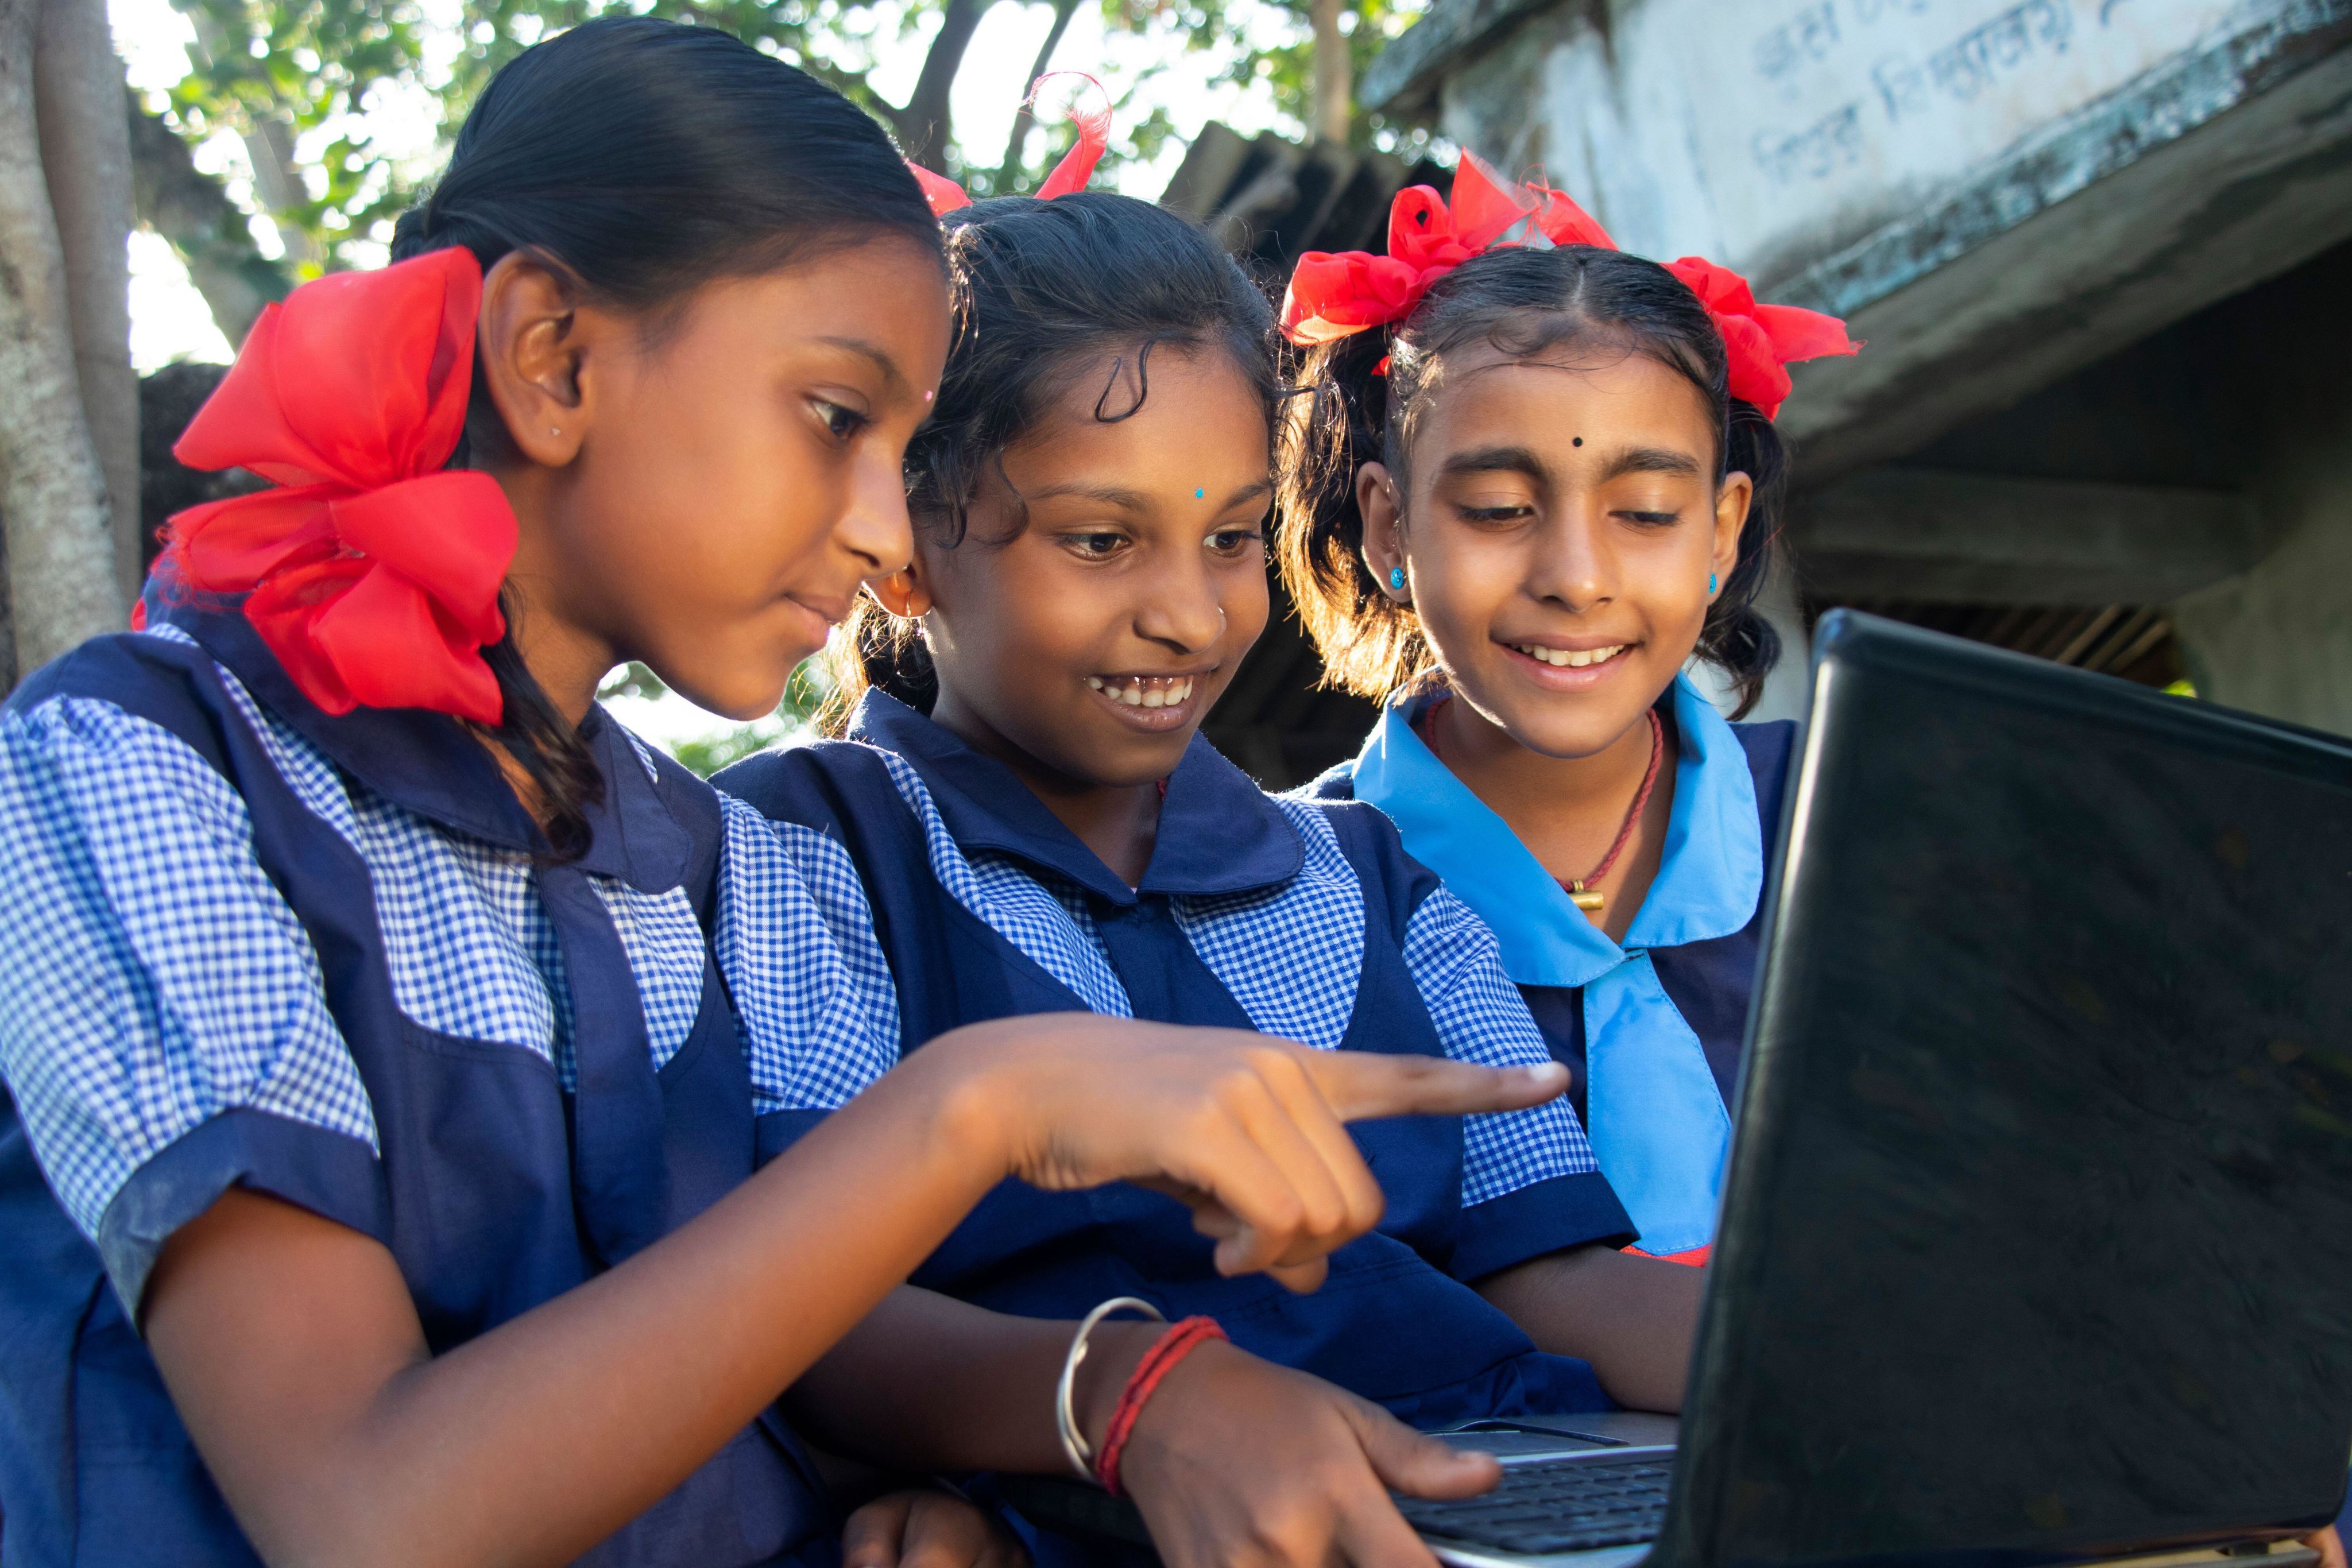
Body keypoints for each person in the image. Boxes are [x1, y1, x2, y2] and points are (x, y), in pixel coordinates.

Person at [0, 26, 1568, 1568]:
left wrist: (1122, 1400)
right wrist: (993, 1099)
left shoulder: (680, 846)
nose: (889, 533)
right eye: (835, 417)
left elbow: (787, 1345)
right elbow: (368, 1511)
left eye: (901, 448)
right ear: (553, 359)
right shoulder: (140, 771)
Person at [714, 178, 1708, 1563]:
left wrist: (1822, 1370)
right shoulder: (803, 857)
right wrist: (1118, 1411)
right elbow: (783, 1318)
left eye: (1232, 536)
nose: (1188, 612)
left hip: (1489, 1497)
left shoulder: (1373, 877)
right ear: (907, 544)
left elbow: (1550, 1274)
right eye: (1100, 540)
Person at [1281, 156, 1854, 1265]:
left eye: (1645, 511)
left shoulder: (1862, 828)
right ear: (1391, 527)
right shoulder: (1291, 899)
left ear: (1723, 531)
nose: (1577, 576)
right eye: (1500, 508)